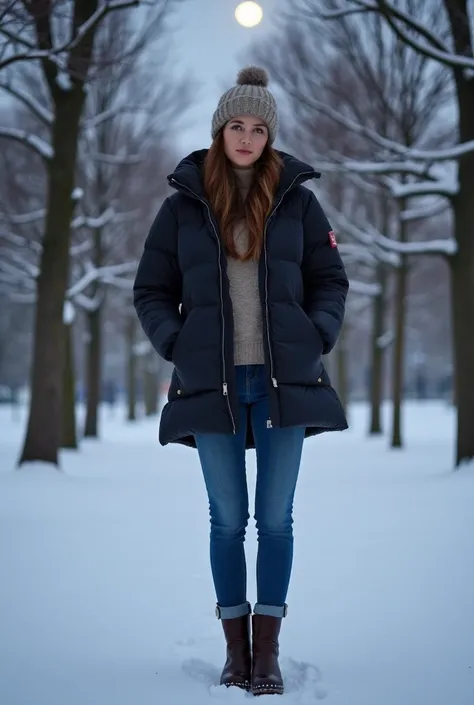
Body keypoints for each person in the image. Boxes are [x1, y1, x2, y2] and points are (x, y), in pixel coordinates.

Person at [133, 66, 349, 696]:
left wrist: (317, 335)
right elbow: (151, 290)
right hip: (213, 386)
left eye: (259, 128)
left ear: (271, 135)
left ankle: (269, 651)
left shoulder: (299, 203)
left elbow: (331, 279)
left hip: (285, 382)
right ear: (220, 130)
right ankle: (235, 648)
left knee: (275, 520)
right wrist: (178, 345)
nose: (248, 137)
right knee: (227, 521)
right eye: (238, 126)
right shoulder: (182, 209)